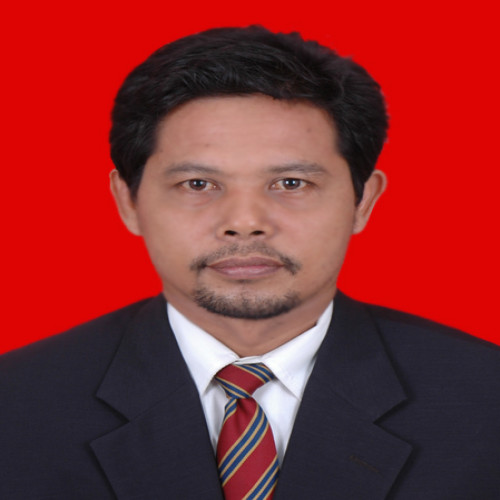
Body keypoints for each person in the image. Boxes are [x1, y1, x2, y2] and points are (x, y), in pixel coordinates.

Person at [1, 25, 499, 500]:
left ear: (362, 201)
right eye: (198, 184)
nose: (244, 223)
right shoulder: (17, 403)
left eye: (291, 183)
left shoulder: (485, 399)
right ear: (128, 201)